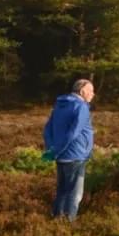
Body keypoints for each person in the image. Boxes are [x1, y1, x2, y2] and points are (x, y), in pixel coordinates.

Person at [42, 78, 96, 222]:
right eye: (90, 91)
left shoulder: (60, 105)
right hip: (76, 155)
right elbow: (74, 132)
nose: (93, 94)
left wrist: (52, 149)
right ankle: (69, 222)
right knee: (75, 193)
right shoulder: (81, 107)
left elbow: (47, 129)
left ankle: (56, 218)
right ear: (82, 91)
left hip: (61, 156)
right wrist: (58, 149)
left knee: (62, 190)